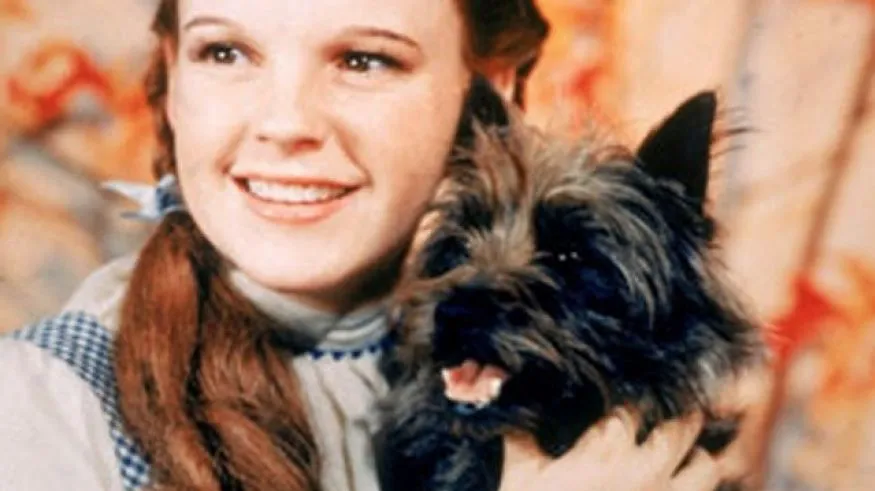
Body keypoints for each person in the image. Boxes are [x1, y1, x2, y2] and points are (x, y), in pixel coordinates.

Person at [0, 0, 727, 489]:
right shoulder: (47, 406)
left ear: (488, 88)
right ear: (172, 70)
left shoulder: (543, 381)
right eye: (224, 51)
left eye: (364, 60)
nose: (286, 123)